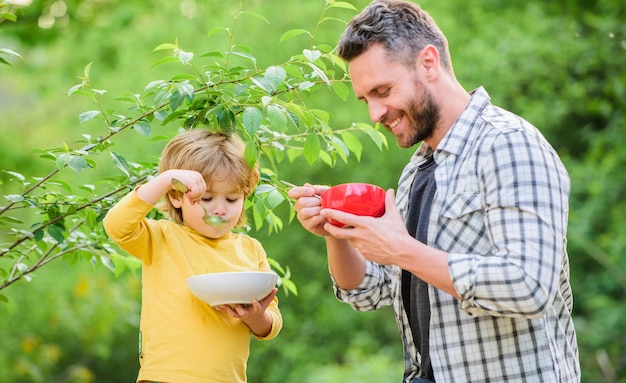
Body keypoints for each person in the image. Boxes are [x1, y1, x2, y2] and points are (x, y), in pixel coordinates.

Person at [287, 1, 580, 382]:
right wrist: (337, 233)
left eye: (383, 90)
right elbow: (372, 291)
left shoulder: (508, 144)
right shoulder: (420, 168)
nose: (374, 114)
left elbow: (528, 286)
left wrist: (402, 249)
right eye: (366, 100)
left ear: (428, 63)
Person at [103, 129, 282, 383]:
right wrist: (165, 180)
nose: (220, 209)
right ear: (176, 197)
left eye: (232, 198)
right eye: (206, 198)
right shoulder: (160, 238)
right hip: (164, 377)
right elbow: (116, 225)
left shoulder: (251, 249)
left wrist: (256, 317)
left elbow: (271, 324)